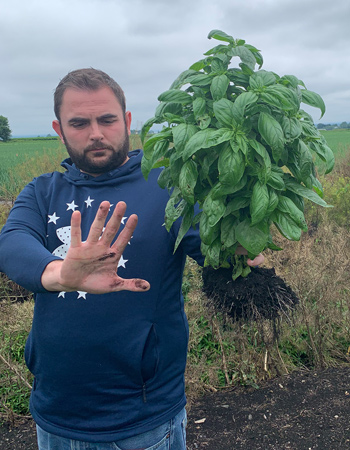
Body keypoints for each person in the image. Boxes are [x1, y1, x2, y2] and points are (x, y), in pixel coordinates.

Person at [0, 68, 264, 450]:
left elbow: (216, 252)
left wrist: (241, 246)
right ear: (59, 129)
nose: (95, 133)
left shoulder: (169, 186)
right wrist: (62, 274)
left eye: (106, 119)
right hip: (56, 414)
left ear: (126, 121)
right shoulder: (42, 191)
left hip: (142, 420)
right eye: (79, 123)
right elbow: (11, 244)